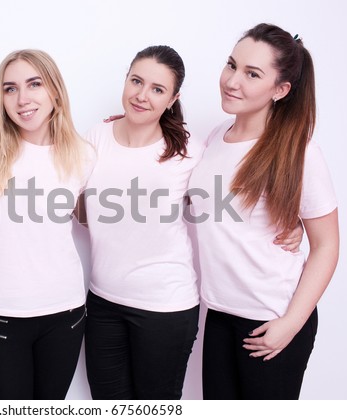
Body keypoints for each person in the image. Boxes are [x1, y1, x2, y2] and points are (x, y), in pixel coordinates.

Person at [187, 23, 339, 399]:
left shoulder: (300, 153)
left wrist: (290, 324)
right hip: (220, 314)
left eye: (252, 74)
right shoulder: (216, 137)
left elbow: (327, 247)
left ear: (281, 89)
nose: (232, 81)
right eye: (231, 65)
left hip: (271, 318)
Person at [0, 49, 95, 400]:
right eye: (10, 89)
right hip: (1, 311)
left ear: (54, 91)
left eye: (34, 84)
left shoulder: (83, 154)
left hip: (64, 311)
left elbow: (95, 216)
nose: (22, 99)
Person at [80, 45, 201, 400]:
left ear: (173, 98)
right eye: (136, 81)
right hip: (103, 303)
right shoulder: (95, 137)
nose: (141, 95)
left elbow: (227, 209)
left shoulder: (188, 153)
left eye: (157, 89)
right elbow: (77, 207)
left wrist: (288, 223)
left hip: (165, 308)